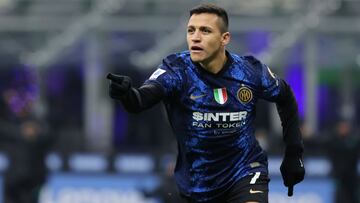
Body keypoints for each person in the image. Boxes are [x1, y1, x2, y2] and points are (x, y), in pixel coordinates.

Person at [107, 3, 305, 203]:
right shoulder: (177, 70)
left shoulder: (250, 72)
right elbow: (141, 100)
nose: (195, 37)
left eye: (205, 31)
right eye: (191, 30)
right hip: (197, 183)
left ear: (224, 38)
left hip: (245, 171)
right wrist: (126, 94)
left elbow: (286, 97)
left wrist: (293, 154)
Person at [327, 119, 360, 203]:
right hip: (339, 177)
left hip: (352, 178)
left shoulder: (354, 142)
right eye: (341, 127)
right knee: (339, 197)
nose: (343, 129)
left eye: (345, 127)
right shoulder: (333, 142)